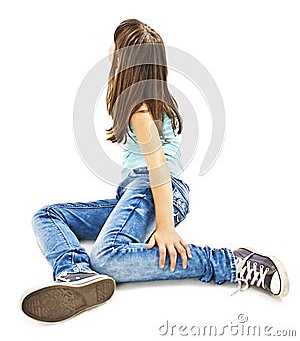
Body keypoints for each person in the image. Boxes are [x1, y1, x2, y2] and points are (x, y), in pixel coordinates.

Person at [21, 19, 289, 323]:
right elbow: (115, 50)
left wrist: (164, 226)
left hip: (154, 189)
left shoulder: (140, 110)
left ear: (125, 65)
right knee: (47, 215)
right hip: (138, 192)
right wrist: (135, 45)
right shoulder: (150, 90)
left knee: (107, 258)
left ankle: (230, 262)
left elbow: (159, 169)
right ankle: (77, 271)